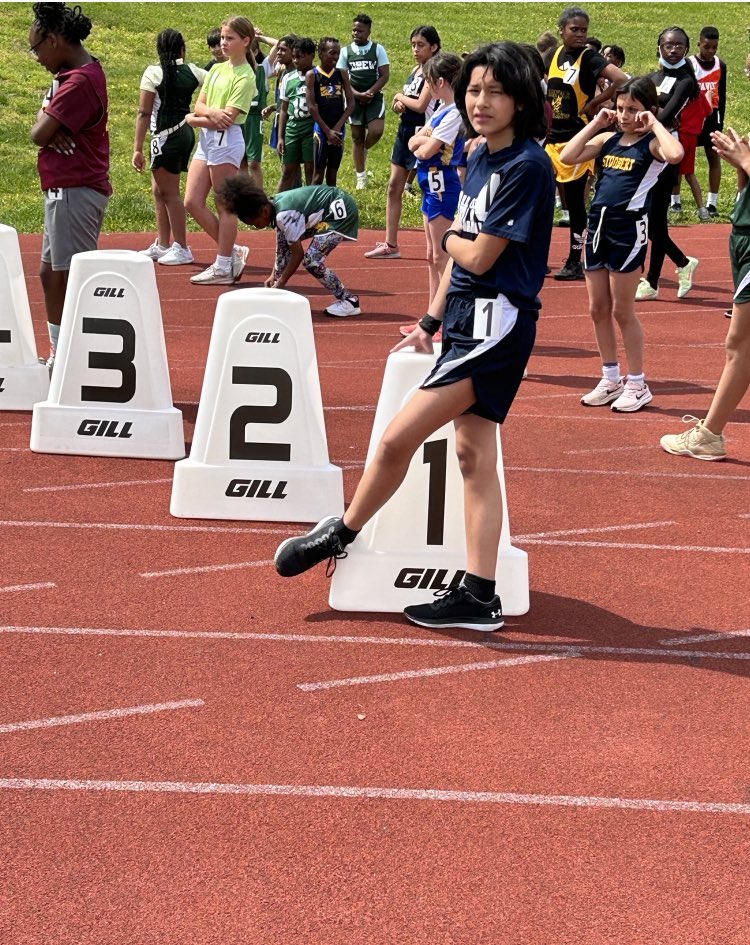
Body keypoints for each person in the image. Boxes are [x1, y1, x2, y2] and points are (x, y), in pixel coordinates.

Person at [273, 42, 555, 632]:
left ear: (523, 99)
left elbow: (474, 252)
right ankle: (480, 596)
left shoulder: (527, 166)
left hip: (496, 326)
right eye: (474, 89)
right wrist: (429, 320)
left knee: (396, 439)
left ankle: (341, 532)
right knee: (472, 456)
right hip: (466, 321)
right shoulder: (479, 157)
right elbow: (461, 264)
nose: (481, 101)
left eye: (496, 91)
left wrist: (449, 232)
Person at [560, 76, 683, 413]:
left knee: (621, 309)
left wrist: (656, 123)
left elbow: (676, 154)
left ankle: (638, 383)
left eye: (634, 109)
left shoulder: (653, 145)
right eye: (621, 108)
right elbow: (569, 156)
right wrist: (597, 121)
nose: (626, 115)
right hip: (597, 227)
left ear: (648, 111)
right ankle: (610, 377)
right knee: (597, 308)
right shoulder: (608, 138)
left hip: (628, 230)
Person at [29, 1, 110, 371]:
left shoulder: (77, 82)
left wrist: (48, 124)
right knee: (51, 273)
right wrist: (48, 119)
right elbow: (44, 129)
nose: (36, 57)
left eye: (37, 48)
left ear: (57, 39)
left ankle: (76, 360)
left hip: (76, 187)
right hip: (65, 188)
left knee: (73, 276)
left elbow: (37, 133)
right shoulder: (70, 74)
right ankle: (61, 352)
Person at [660, 127, 750, 461]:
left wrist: (746, 160)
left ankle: (709, 435)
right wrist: (741, 168)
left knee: (739, 345)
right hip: (742, 236)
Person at [545, 6, 627, 281]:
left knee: (575, 204)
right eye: (574, 29)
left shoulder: (589, 58)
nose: (580, 34)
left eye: (584, 30)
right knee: (543, 200)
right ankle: (538, 257)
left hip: (577, 139)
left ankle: (574, 260)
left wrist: (595, 102)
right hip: (551, 140)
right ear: (562, 30)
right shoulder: (554, 55)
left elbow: (621, 79)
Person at [216, 176, 361, 317]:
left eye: (256, 223)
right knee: (284, 242)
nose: (256, 226)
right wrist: (274, 276)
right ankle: (276, 296)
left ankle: (349, 301)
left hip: (340, 215)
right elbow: (282, 249)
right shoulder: (273, 205)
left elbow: (297, 255)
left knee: (312, 261)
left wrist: (282, 281)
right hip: (328, 209)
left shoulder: (284, 215)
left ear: (264, 212)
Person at [184, 16, 256, 286]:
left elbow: (228, 117)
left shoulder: (246, 75)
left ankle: (224, 264)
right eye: (223, 38)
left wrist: (193, 119)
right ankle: (232, 251)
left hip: (226, 140)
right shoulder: (216, 69)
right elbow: (201, 104)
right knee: (191, 201)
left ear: (245, 41)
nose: (223, 43)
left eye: (230, 38)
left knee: (225, 204)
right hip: (208, 138)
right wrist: (206, 113)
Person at [635, 26, 700, 301]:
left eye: (679, 46)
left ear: (687, 49)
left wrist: (651, 115)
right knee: (650, 220)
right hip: (646, 149)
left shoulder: (686, 81)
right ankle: (676, 267)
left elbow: (666, 114)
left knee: (655, 221)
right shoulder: (652, 77)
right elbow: (640, 107)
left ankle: (655, 279)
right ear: (658, 46)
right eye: (668, 45)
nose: (673, 50)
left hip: (666, 153)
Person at [364, 25, 440, 259]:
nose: (415, 50)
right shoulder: (416, 70)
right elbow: (410, 102)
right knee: (394, 187)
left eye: (421, 45)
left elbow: (419, 105)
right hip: (405, 132)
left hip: (425, 134)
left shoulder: (433, 71)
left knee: (430, 191)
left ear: (434, 47)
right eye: (413, 45)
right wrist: (399, 105)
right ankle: (391, 243)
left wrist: (398, 96)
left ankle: (436, 246)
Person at [133, 29, 206, 266]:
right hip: (185, 131)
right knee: (159, 190)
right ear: (182, 48)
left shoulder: (153, 72)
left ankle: (182, 247)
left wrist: (137, 148)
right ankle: (163, 243)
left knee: (170, 194)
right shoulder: (194, 71)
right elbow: (214, 81)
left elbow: (144, 113)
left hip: (165, 136)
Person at [409, 52, 465, 313]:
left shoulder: (454, 113)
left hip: (441, 181)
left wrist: (422, 142)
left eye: (428, 81)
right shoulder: (442, 109)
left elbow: (423, 150)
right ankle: (430, 317)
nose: (426, 87)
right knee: (432, 255)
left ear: (440, 82)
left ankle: (446, 316)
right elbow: (415, 142)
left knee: (442, 256)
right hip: (429, 181)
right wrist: (422, 141)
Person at [336, 13, 390, 190]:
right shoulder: (345, 51)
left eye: (360, 30)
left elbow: (384, 75)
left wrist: (370, 92)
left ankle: (365, 150)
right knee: (356, 137)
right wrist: (357, 95)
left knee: (376, 130)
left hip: (374, 97)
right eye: (353, 30)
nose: (355, 33)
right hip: (353, 99)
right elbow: (342, 78)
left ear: (368, 31)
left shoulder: (377, 49)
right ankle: (361, 177)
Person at [679, 26, 727, 218]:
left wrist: (720, 120)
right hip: (692, 116)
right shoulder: (688, 63)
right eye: (707, 47)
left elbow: (721, 94)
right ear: (699, 44)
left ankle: (712, 203)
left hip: (711, 117)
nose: (710, 51)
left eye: (714, 47)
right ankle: (675, 202)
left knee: (713, 158)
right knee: (681, 160)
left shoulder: (720, 65)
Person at [306, 37, 354, 186]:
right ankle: (314, 207)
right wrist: (328, 132)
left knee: (332, 174)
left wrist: (338, 127)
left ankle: (329, 205)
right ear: (321, 53)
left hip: (338, 130)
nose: (336, 57)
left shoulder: (341, 74)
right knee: (318, 174)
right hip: (321, 130)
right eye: (332, 53)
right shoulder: (312, 75)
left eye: (338, 53)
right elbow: (312, 107)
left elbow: (351, 104)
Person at [277, 37, 317, 191]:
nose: (295, 61)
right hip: (292, 128)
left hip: (310, 127)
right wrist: (281, 137)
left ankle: (311, 207)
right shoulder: (288, 77)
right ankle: (276, 206)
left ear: (312, 56)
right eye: (293, 57)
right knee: (288, 171)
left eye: (300, 57)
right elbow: (284, 109)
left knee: (310, 170)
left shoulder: (317, 75)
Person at [241, 36, 268, 188]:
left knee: (254, 163)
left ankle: (258, 199)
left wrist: (257, 37)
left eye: (249, 51)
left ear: (256, 51)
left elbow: (278, 44)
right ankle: (244, 197)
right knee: (241, 162)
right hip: (239, 117)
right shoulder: (237, 69)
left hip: (254, 118)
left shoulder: (263, 68)